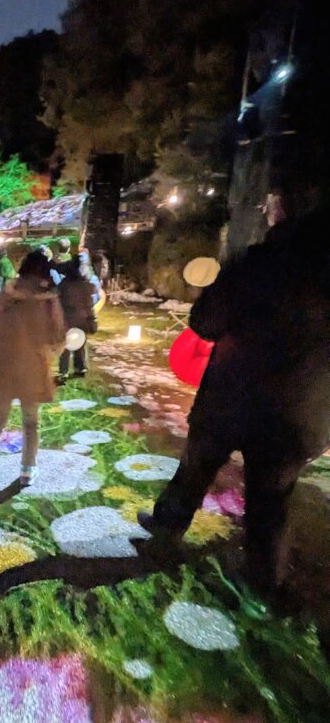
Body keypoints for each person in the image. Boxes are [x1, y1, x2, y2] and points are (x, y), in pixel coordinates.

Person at [137, 210, 330, 594]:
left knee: (195, 469)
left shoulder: (259, 265)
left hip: (233, 395)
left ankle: (166, 531)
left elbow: (205, 322)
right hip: (300, 410)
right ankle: (262, 581)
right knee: (270, 501)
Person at [0, 250, 65, 488]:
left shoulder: (5, 296)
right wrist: (52, 352)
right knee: (30, 422)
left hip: (0, 364)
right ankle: (28, 469)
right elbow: (57, 335)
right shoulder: (48, 301)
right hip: (31, 367)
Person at [56, 255, 97, 381]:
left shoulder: (63, 286)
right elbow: (89, 304)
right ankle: (80, 367)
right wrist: (91, 318)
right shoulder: (85, 285)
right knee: (80, 343)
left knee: (65, 345)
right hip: (82, 319)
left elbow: (58, 302)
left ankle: (64, 371)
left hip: (67, 319)